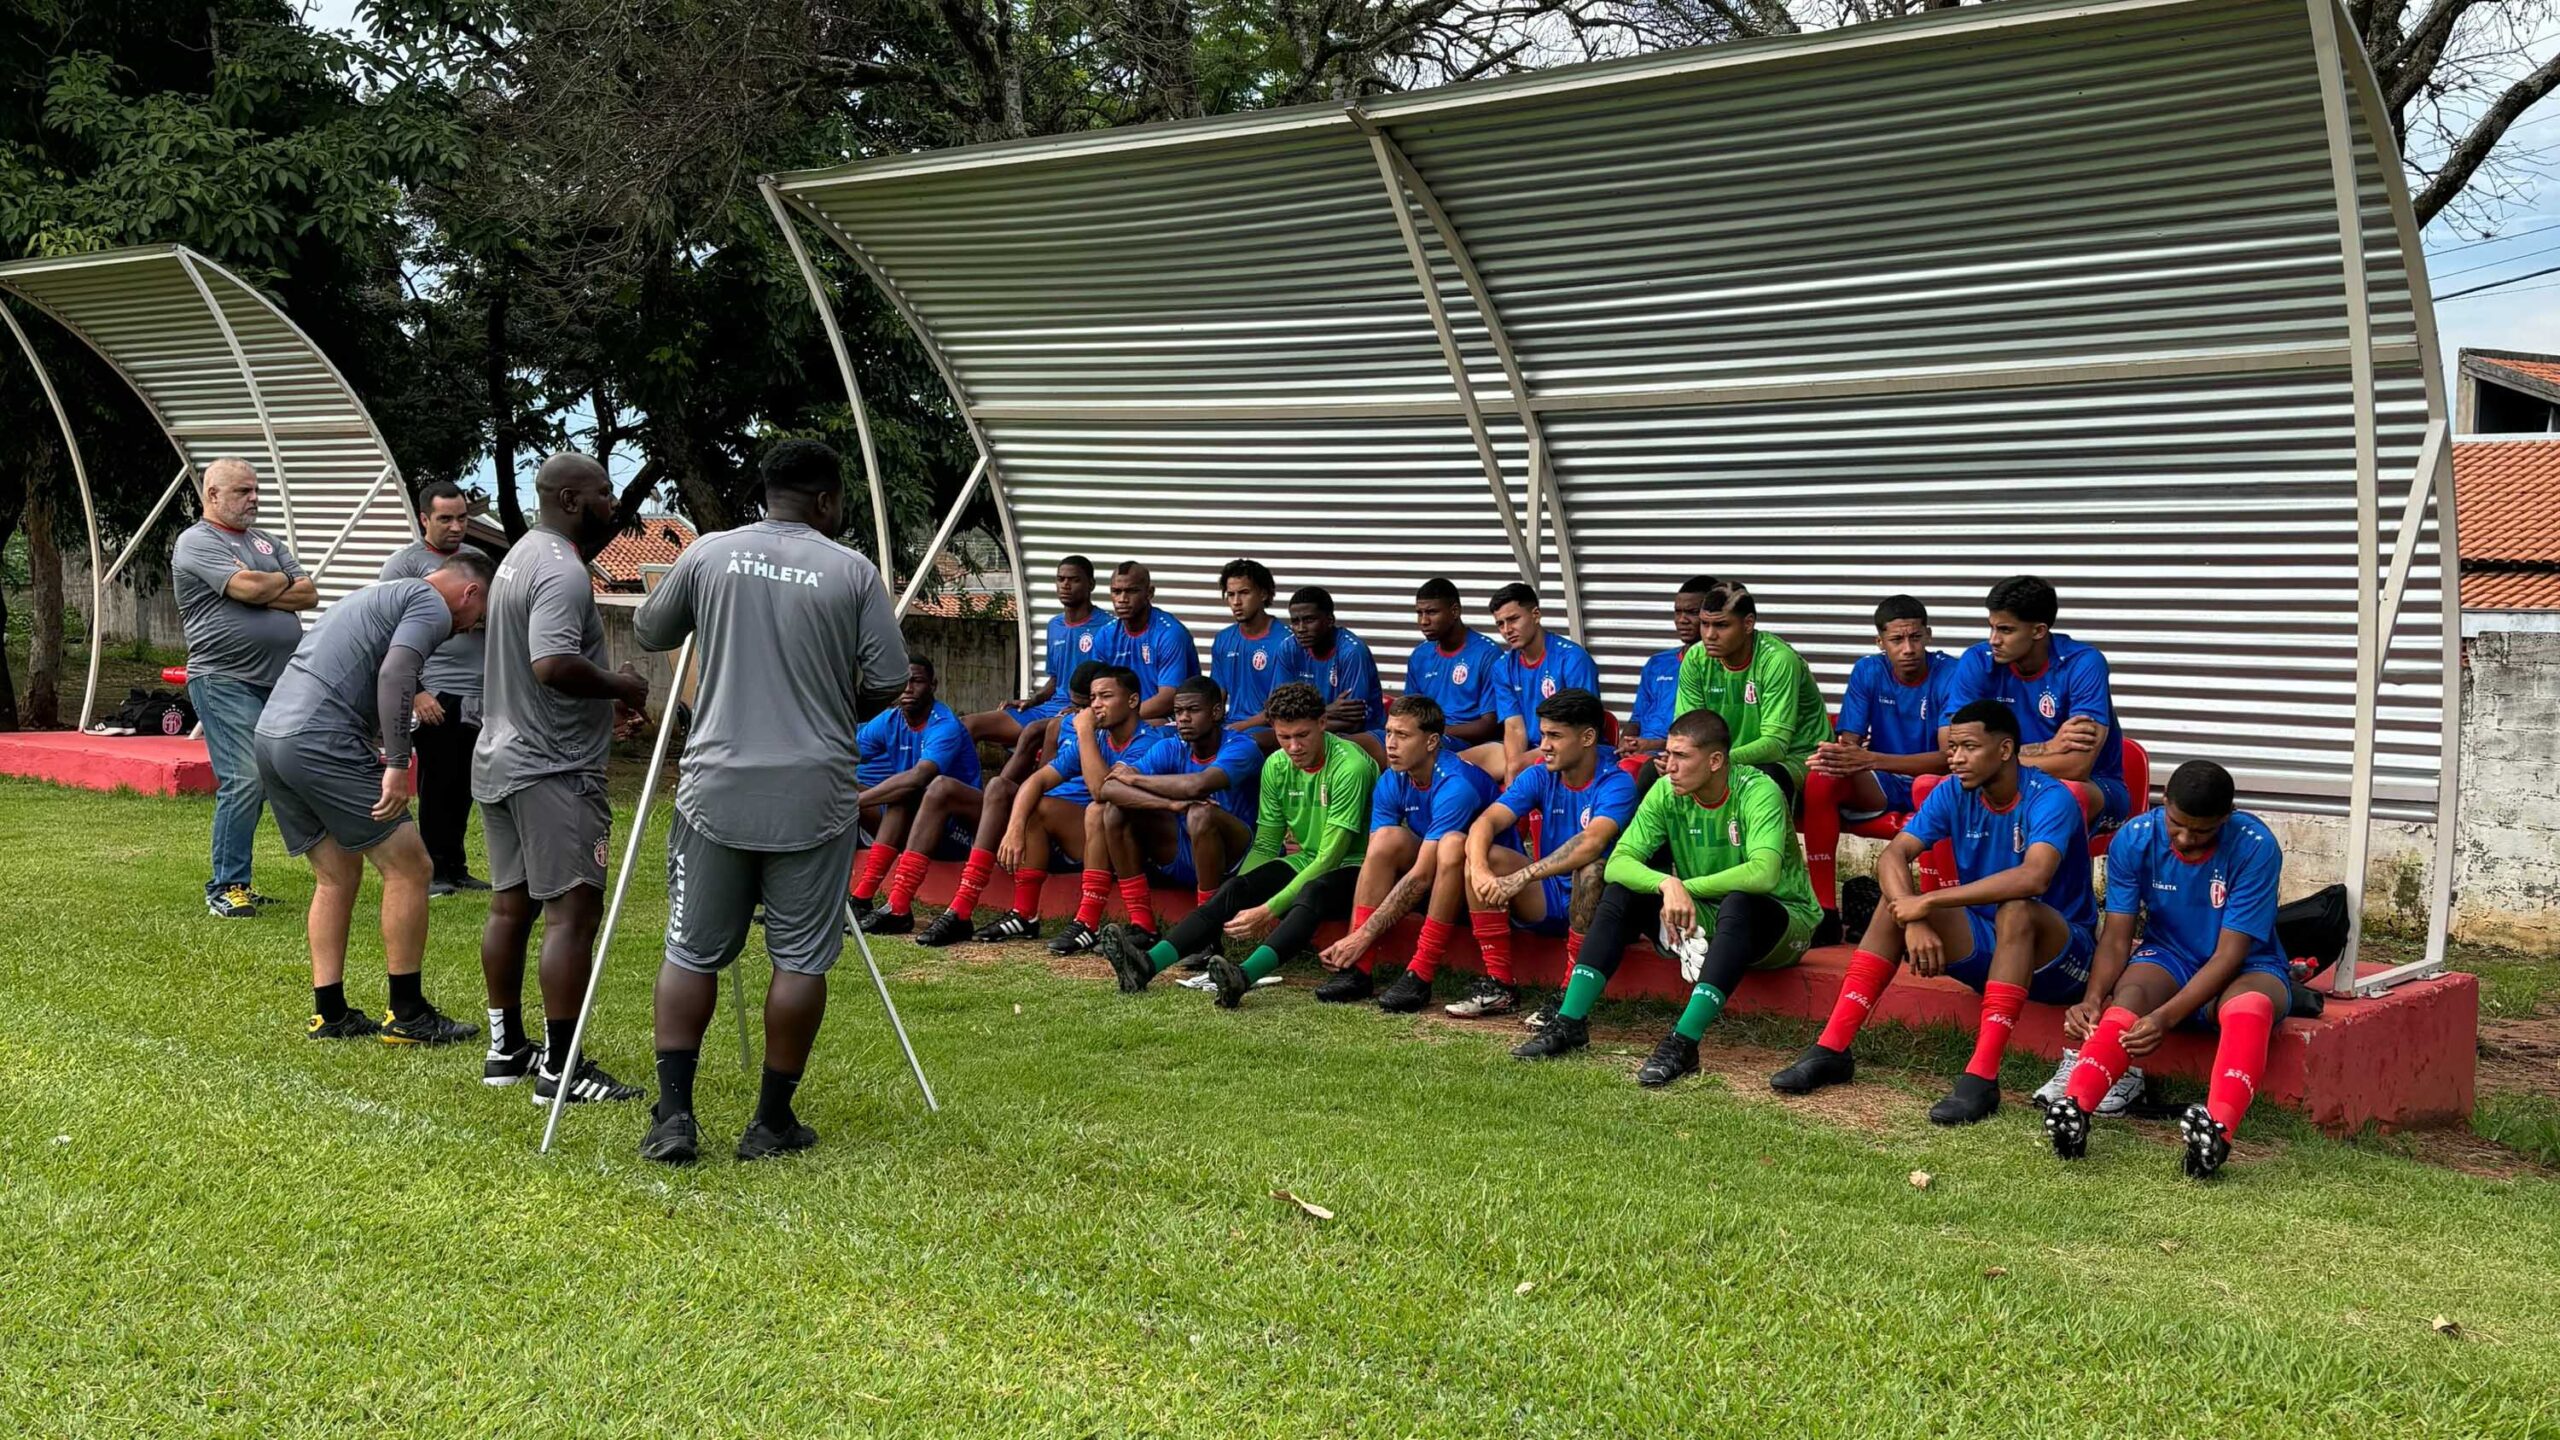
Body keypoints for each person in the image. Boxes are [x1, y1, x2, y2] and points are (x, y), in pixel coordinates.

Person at [632, 439, 908, 1165]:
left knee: (691, 951)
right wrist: (830, 704)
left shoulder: (710, 553)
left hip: (715, 787)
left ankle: (675, 1118)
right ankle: (770, 1121)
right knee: (801, 959)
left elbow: (649, 630)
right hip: (814, 792)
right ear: (825, 500)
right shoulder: (852, 571)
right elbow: (890, 675)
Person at [1770, 701, 2100, 1126]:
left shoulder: (2050, 797)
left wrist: (1928, 902)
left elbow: (2034, 878)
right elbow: (1893, 855)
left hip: (2060, 960)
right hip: (1991, 942)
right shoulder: (1953, 790)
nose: (1956, 758)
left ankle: (1981, 1078)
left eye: (1968, 747)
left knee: (2016, 910)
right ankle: (1832, 1049)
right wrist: (1912, 918)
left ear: (2004, 750)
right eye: (1952, 747)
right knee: (1895, 903)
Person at [253, 550, 492, 1045]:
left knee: (336, 874)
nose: (471, 628)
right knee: (411, 867)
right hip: (320, 737)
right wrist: (399, 765)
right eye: (480, 616)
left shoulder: (381, 594)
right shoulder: (430, 602)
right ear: (470, 593)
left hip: (274, 734)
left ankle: (331, 1013)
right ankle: (407, 1014)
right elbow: (396, 675)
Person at [471, 452, 653, 1101]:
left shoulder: (517, 557)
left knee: (508, 905)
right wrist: (623, 686)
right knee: (571, 913)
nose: (614, 505)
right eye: (605, 494)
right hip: (552, 770)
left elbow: (530, 674)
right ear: (572, 500)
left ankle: (505, 1048)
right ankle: (560, 1068)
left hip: (500, 756)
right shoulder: (562, 570)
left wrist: (602, 708)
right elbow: (550, 664)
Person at [1514, 709, 1818, 1087]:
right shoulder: (1666, 790)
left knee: (1740, 904)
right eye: (1668, 754)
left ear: (1715, 761)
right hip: (1702, 911)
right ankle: (1568, 1023)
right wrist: (1667, 885)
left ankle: (1683, 1043)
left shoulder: (1758, 791)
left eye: (1681, 757)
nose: (1668, 766)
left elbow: (1763, 873)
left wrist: (1685, 887)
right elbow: (1618, 863)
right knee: (1622, 891)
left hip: (1781, 920)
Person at [2044, 761, 2288, 1179]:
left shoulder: (2255, 845)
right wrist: (2091, 998)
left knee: (2251, 1007)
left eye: (2202, 830)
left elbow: (2229, 956)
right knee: (2131, 994)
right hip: (2170, 955)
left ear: (2225, 820)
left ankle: (2215, 1135)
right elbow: (2118, 937)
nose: (2185, 837)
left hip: (2248, 965)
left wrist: (2165, 1018)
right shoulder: (2134, 840)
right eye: (2177, 823)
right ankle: (2076, 1108)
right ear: (2163, 803)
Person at [1099, 682, 1377, 1009]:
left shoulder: (1350, 767)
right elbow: (1266, 843)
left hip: (1353, 867)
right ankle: (1146, 964)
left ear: (1322, 724)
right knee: (1234, 888)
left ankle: (1242, 976)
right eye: (1284, 737)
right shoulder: (1276, 765)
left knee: (1313, 891)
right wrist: (1243, 894)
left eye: (1302, 735)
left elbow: (1331, 857)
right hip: (1307, 861)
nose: (1294, 747)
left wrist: (1266, 910)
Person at [171, 457, 315, 918]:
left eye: (255, 490)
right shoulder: (196, 541)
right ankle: (226, 887)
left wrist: (261, 585)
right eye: (242, 491)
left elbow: (308, 592)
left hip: (278, 681)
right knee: (246, 777)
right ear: (212, 496)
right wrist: (274, 583)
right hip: (223, 679)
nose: (254, 498)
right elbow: (251, 588)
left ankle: (245, 881)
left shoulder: (266, 541)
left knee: (280, 773)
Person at [1311, 695, 1501, 1012]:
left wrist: (1363, 935)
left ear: (1431, 742)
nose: (1391, 744)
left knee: (1452, 846)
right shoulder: (1392, 778)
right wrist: (1355, 938)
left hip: (1482, 887)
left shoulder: (1456, 785)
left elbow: (1422, 875)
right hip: (1436, 876)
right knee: (1387, 839)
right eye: (1388, 733)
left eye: (1403, 735)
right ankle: (1358, 969)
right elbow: (1376, 858)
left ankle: (1420, 973)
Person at [1459, 688, 1638, 1021]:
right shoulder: (1540, 774)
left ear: (1587, 737)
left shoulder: (1616, 783)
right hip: (1551, 896)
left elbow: (1591, 843)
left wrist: (1523, 875)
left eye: (1555, 736)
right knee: (1484, 857)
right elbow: (1486, 821)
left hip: (1603, 911)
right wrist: (1481, 869)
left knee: (1591, 868)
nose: (1543, 745)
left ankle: (1569, 991)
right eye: (1542, 734)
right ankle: (1499, 985)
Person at [889, 661, 1100, 943]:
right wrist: (1015, 824)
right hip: (1035, 826)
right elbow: (1038, 780)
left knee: (1038, 804)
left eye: (1084, 707)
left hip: (1074, 831)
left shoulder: (1112, 736)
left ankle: (970, 906)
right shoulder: (1059, 726)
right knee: (961, 787)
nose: (1076, 713)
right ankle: (908, 906)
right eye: (1073, 705)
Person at [1065, 675, 1263, 955]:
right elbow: (1107, 789)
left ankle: (1206, 932)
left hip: (1235, 857)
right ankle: (1142, 925)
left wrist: (1137, 780)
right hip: (1183, 844)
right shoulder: (1171, 746)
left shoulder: (1241, 746)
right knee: (1113, 812)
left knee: (1200, 813)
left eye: (1193, 711)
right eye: (1178, 712)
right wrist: (1169, 805)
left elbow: (1198, 785)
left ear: (1216, 712)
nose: (1183, 718)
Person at [968, 665, 1163, 947]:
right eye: (1093, 697)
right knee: (1036, 806)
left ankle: (1088, 923)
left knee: (1098, 810)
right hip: (1103, 839)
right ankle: (1024, 915)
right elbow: (1036, 781)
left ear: (1132, 701)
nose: (1095, 705)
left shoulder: (1149, 742)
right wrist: (1014, 827)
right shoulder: (1099, 738)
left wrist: (1083, 732)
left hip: (1141, 846)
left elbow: (1100, 791)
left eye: (1105, 696)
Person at [1801, 595, 1956, 932]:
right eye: (1897, 639)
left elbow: (1950, 760)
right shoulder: (1869, 670)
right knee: (1822, 776)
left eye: (1915, 637)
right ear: (1880, 641)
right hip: (1882, 783)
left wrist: (1871, 758)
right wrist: (1841, 755)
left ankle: (1938, 914)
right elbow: (1850, 746)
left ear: (1928, 634)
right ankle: (1824, 911)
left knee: (1928, 786)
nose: (1908, 648)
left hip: (1934, 783)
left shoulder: (1950, 672)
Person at [1943, 574, 2130, 831]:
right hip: (2008, 779)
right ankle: (1958, 874)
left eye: (2006, 630)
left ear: (2039, 631)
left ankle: (2038, 872)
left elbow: (2076, 766)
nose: (1993, 640)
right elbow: (1952, 749)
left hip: (2094, 785)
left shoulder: (2083, 664)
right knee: (1935, 788)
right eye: (1992, 627)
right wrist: (2047, 747)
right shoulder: (1977, 660)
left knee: (2064, 796)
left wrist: (1988, 760)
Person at [378, 481, 492, 896]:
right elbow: (389, 638)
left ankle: (456, 866)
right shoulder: (404, 566)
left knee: (465, 785)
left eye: (462, 518)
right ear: (425, 518)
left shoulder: (477, 563)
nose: (456, 526)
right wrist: (419, 691)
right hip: (435, 692)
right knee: (437, 784)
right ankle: (432, 871)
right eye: (445, 518)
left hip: (479, 694)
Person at [847, 657, 981, 924]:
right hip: (914, 824)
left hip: (957, 831)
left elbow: (919, 777)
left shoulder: (945, 724)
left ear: (933, 685)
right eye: (903, 682)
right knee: (838, 784)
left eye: (917, 681)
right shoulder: (890, 720)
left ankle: (897, 906)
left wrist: (853, 803)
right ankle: (861, 899)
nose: (908, 688)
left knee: (913, 788)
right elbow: (845, 754)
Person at [1671, 581, 1822, 805]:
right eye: (1704, 624)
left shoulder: (1778, 660)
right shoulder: (1695, 658)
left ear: (1748, 623)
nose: (1709, 635)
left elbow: (1775, 745)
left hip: (1794, 759)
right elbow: (1688, 731)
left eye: (1721, 625)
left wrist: (1711, 760)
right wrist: (1681, 758)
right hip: (1720, 759)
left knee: (1766, 777)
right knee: (1653, 776)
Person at [1466, 582, 1599, 784]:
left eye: (1513, 619)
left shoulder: (1572, 658)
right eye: (1500, 624)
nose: (1507, 630)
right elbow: (1514, 727)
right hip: (1527, 749)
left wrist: (1519, 764)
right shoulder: (1502, 667)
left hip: (1566, 746)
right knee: (1457, 766)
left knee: (1521, 769)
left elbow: (1582, 725)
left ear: (1535, 615)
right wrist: (1514, 764)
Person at [965, 555, 1099, 747]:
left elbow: (1110, 683)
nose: (1065, 585)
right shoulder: (1055, 625)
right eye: (1061, 579)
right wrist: (1031, 700)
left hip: (1077, 712)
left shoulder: (1107, 627)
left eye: (1074, 580)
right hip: (1048, 708)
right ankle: (962, 778)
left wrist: (1085, 708)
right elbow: (1055, 679)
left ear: (1091, 584)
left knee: (1031, 734)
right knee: (968, 724)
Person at [1619, 576, 1717, 779]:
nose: (1682, 620)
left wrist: (1653, 745)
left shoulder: (1718, 669)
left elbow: (1709, 734)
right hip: (1638, 755)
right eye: (1678, 611)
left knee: (1631, 773)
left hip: (1674, 758)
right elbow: (1636, 718)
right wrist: (1626, 741)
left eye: (1692, 612)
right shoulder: (1657, 663)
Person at [1286, 585, 1387, 764]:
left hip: (1362, 734)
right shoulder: (1288, 648)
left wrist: (1298, 722)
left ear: (1330, 620)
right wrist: (1327, 710)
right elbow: (1280, 714)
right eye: (1295, 621)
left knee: (1303, 742)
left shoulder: (1352, 652)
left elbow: (1353, 723)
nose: (1301, 628)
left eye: (1309, 620)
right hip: (1318, 730)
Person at [1403, 577, 1504, 751]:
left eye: (1432, 612)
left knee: (1416, 748)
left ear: (1455, 611)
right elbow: (1410, 712)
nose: (1423, 621)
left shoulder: (1488, 654)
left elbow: (1490, 725)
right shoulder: (1420, 655)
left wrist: (1436, 732)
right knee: (1369, 744)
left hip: (1468, 745)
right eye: (1420, 613)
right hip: (1426, 737)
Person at [1094, 561, 1199, 721]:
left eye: (1131, 591)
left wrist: (1121, 716)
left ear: (1149, 593)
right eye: (1116, 591)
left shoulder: (1169, 634)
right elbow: (1096, 688)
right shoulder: (1105, 634)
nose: (1122, 599)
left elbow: (1168, 698)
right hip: (1119, 717)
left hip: (1167, 718)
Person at [1209, 558, 1300, 737]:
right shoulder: (1223, 639)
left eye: (1244, 593)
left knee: (1246, 744)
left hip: (1271, 729)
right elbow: (1216, 697)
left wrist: (1239, 728)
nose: (1236, 602)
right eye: (1231, 594)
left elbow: (1280, 708)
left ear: (1264, 594)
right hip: (1231, 725)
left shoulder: (1286, 641)